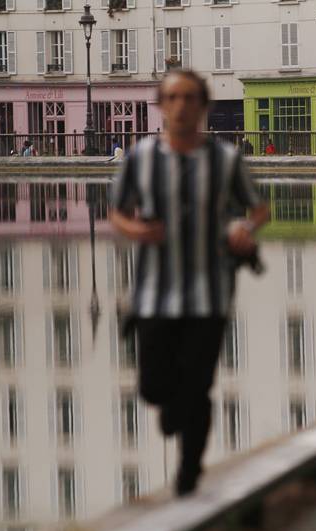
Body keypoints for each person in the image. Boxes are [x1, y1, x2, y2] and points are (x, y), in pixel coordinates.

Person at [109, 69, 269, 496]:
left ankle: (189, 472)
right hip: (153, 295)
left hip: (208, 293)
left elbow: (257, 208)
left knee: (198, 386)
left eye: (190, 98)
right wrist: (135, 230)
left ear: (204, 106)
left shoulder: (226, 160)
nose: (181, 106)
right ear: (161, 105)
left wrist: (243, 230)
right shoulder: (139, 158)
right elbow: (117, 210)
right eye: (173, 98)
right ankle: (169, 409)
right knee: (153, 387)